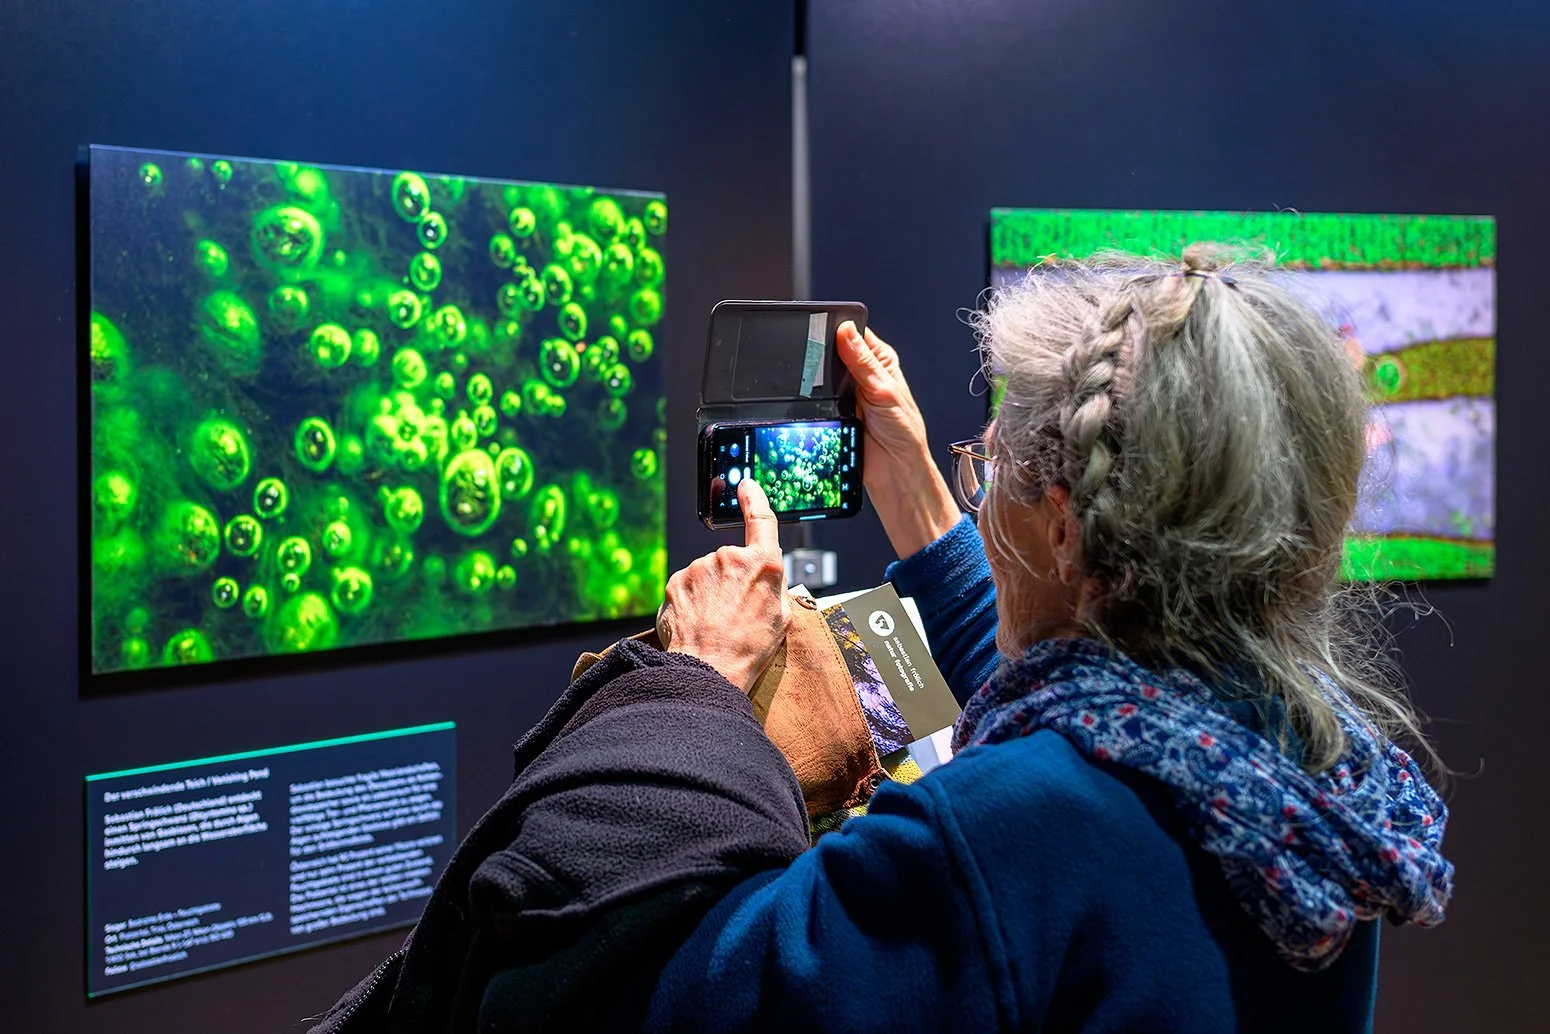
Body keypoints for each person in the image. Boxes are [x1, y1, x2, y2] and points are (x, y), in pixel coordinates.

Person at [309, 247, 1453, 1034]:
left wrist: (693, 687)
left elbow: (683, 996)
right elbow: (1085, 724)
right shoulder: (1305, 781)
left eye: (987, 472)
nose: (978, 492)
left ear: (1062, 527)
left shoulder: (1002, 830)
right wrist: (919, 497)